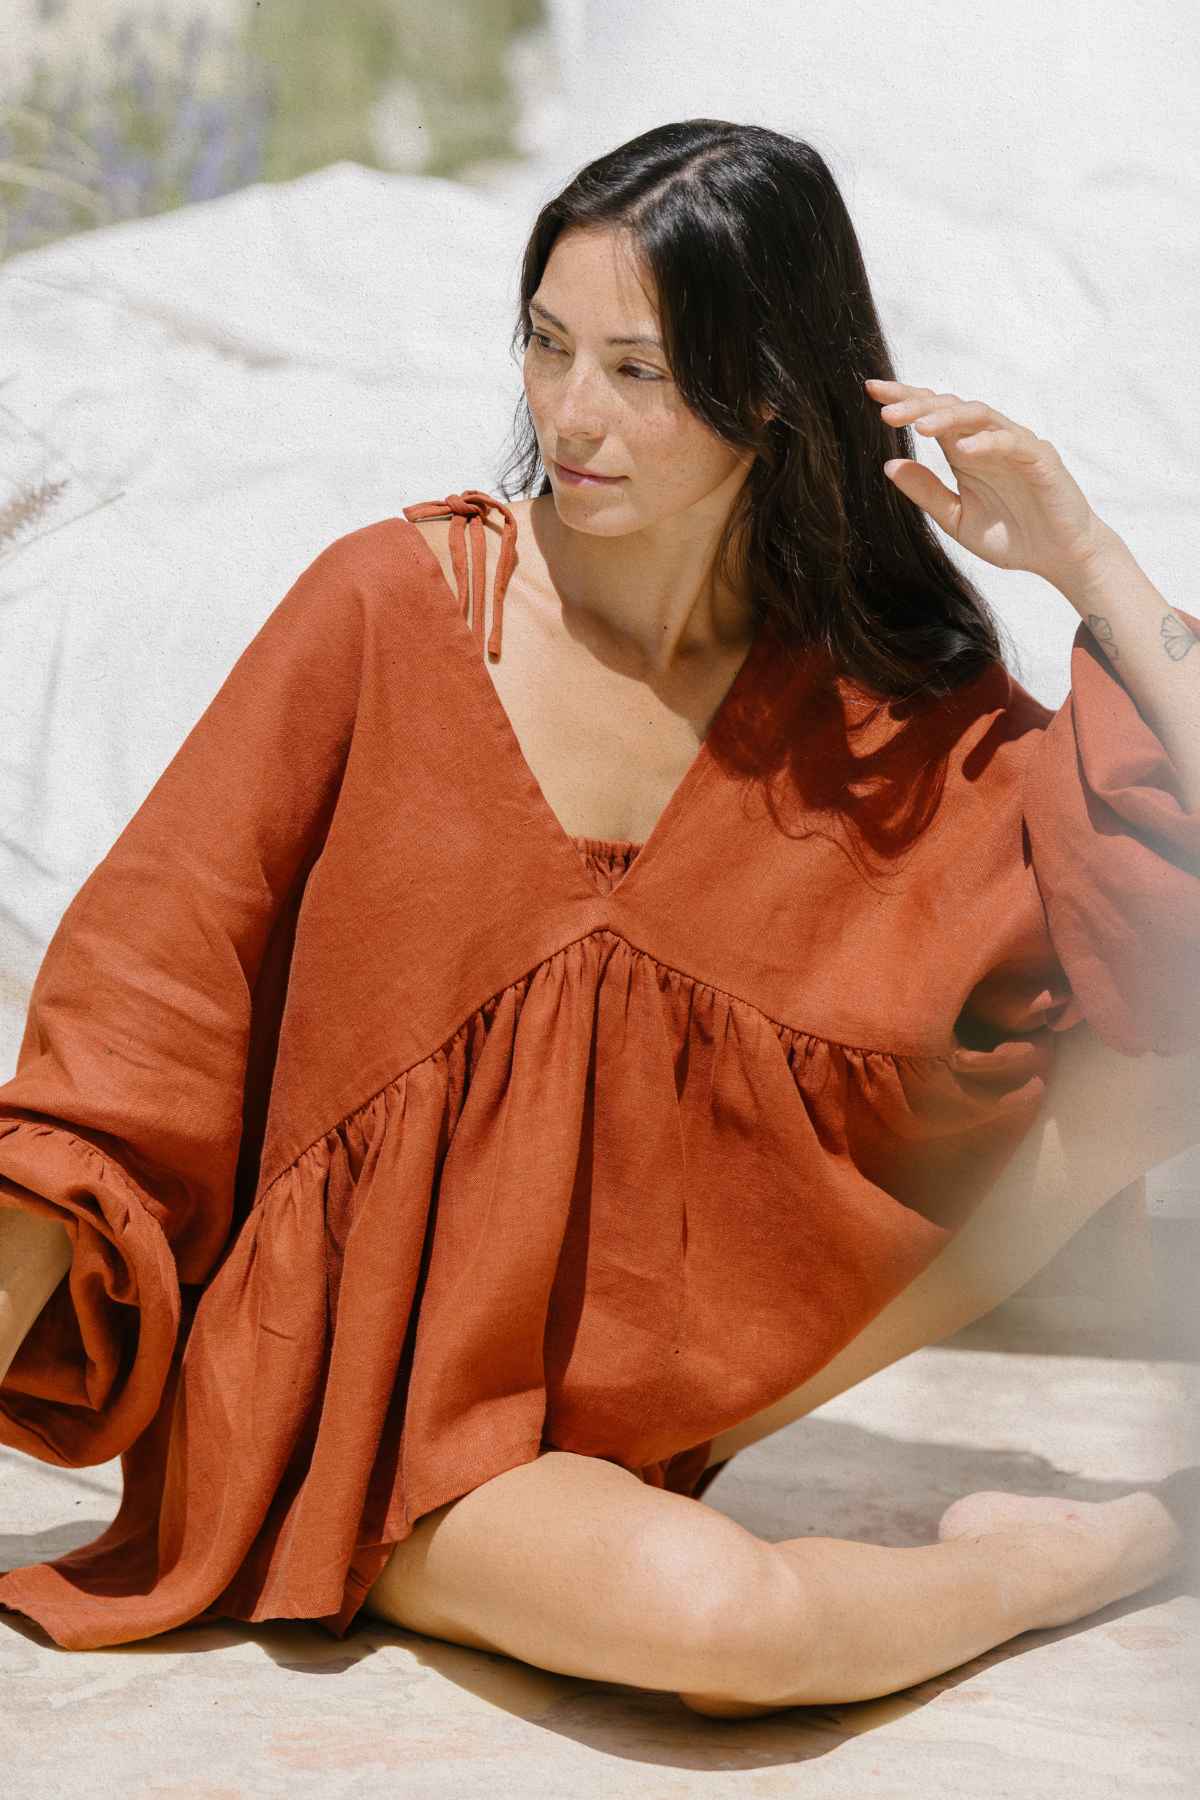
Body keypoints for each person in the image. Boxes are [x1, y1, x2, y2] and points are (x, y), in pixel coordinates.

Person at [1, 120, 1198, 1717]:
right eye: (551, 348)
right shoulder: (398, 603)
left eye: (641, 371)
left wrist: (1087, 561)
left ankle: (1076, 1531)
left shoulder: (868, 713)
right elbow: (134, 1016)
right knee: (731, 1638)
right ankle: (1119, 1542)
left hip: (665, 1372)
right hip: (370, 1418)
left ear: (771, 387)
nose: (572, 416)